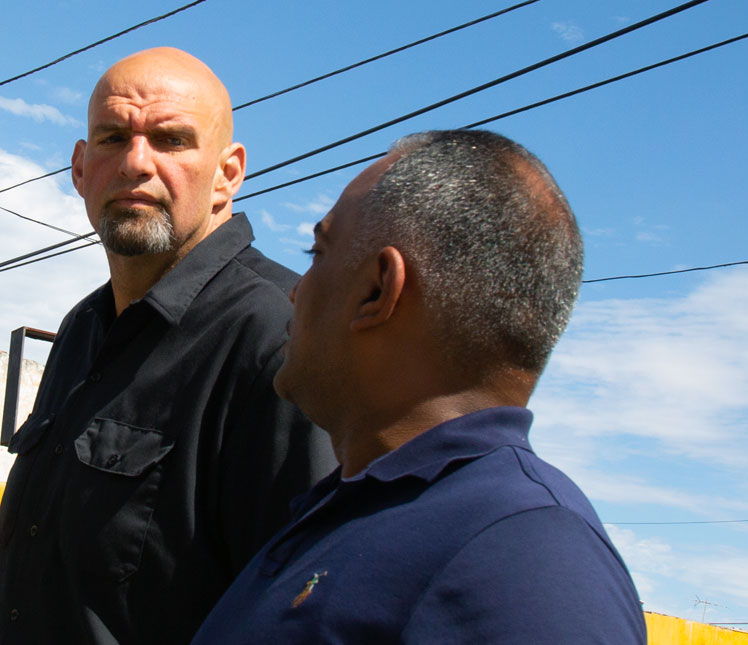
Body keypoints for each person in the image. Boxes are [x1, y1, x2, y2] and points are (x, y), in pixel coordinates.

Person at [191, 130, 648, 644]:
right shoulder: (360, 510)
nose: (296, 289)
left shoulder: (525, 556)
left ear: (376, 290)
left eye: (317, 252)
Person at [0, 47, 335, 644]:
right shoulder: (80, 331)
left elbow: (306, 613)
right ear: (80, 167)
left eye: (170, 140)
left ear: (228, 173)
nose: (136, 163)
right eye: (113, 138)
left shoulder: (283, 336)